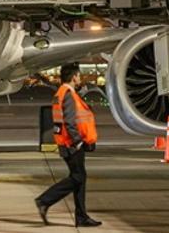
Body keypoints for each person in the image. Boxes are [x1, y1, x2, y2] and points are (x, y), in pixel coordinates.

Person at [35, 63, 101, 228]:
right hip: (72, 144)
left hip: (66, 142)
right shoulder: (69, 95)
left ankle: (81, 217)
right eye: (78, 75)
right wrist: (78, 141)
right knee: (78, 177)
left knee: (80, 178)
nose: (79, 78)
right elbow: (70, 122)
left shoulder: (61, 93)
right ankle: (44, 200)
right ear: (73, 77)